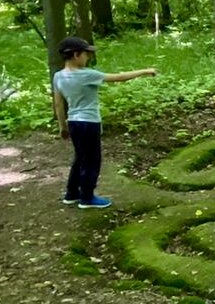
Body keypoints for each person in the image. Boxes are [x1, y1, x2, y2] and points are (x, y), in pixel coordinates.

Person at [52, 36, 156, 209]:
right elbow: (119, 77)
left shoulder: (58, 76)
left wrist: (62, 126)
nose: (88, 57)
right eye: (86, 54)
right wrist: (145, 71)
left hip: (74, 123)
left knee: (80, 158)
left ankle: (72, 194)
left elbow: (58, 104)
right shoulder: (87, 74)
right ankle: (87, 198)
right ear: (76, 55)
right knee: (91, 160)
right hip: (89, 123)